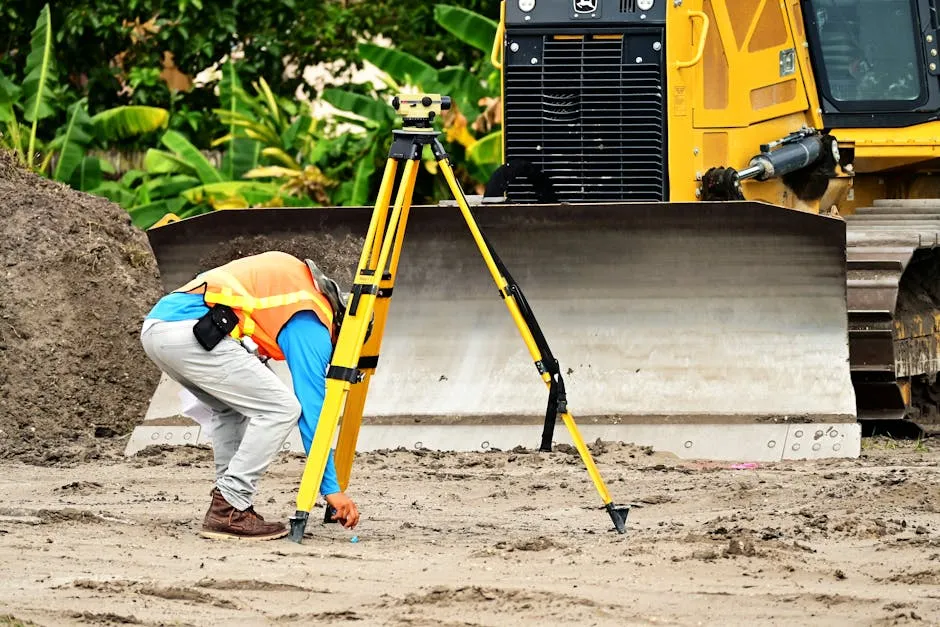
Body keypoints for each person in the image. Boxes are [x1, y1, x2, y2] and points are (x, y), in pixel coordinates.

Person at [140, 250, 360, 540]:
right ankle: (229, 505)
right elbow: (312, 409)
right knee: (281, 409)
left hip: (161, 330)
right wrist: (331, 489)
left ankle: (229, 507)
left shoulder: (298, 285)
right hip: (189, 331)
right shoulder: (312, 319)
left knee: (230, 409)